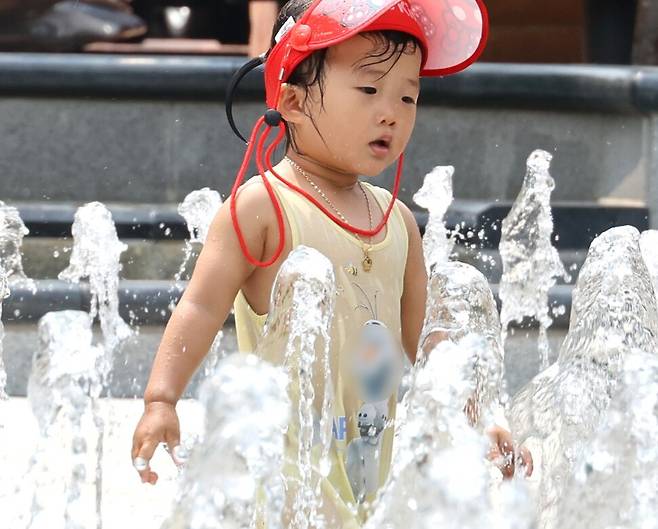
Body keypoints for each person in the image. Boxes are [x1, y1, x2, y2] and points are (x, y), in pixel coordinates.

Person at [132, 0, 532, 525]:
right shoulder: (264, 207)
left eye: (408, 96)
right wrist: (161, 399)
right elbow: (200, 309)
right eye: (369, 90)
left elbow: (429, 340)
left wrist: (479, 419)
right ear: (293, 102)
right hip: (283, 478)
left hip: (370, 463)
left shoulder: (397, 222)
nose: (391, 111)